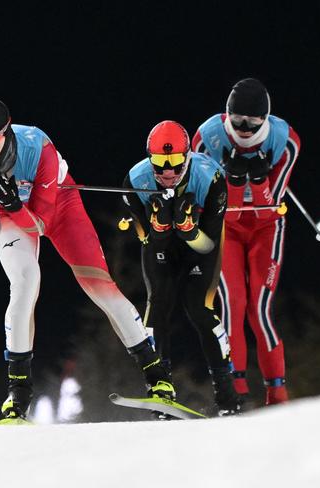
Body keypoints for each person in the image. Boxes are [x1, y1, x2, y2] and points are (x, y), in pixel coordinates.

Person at [0, 97, 175, 421]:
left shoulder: (37, 146)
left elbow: (42, 221)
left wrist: (14, 206)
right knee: (25, 284)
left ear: (7, 132)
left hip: (58, 204)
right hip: (10, 215)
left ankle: (159, 380)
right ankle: (17, 397)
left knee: (101, 287)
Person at [192, 78, 301, 405]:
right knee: (232, 304)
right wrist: (236, 184)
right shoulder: (206, 139)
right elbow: (221, 209)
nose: (243, 129)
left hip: (266, 228)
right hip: (227, 225)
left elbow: (270, 208)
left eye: (252, 123)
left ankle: (276, 391)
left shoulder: (286, 141)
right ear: (226, 115)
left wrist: (258, 180)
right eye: (236, 120)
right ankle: (234, 390)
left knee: (259, 308)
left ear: (265, 120)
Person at [121, 120, 241, 416]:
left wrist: (189, 231)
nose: (168, 174)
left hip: (198, 249)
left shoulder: (211, 177)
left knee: (199, 308)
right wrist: (160, 228)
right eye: (160, 166)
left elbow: (209, 245)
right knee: (158, 302)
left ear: (187, 156)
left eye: (175, 164)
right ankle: (159, 386)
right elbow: (146, 239)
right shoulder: (134, 180)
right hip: (161, 249)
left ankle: (226, 393)